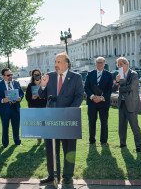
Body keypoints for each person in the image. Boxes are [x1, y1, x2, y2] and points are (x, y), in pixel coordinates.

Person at [38, 52, 84, 185]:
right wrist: (43, 85)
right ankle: (52, 175)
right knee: (51, 148)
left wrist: (70, 109)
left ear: (66, 63)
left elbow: (80, 95)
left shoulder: (76, 77)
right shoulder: (50, 76)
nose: (55, 64)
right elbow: (41, 95)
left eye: (58, 62)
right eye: (55, 62)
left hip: (68, 118)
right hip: (51, 119)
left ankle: (68, 176)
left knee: (69, 148)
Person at [112, 57, 141, 152]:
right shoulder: (119, 75)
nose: (119, 67)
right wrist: (117, 82)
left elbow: (131, 87)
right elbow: (113, 89)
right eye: (118, 65)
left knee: (134, 126)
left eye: (121, 64)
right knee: (121, 126)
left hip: (131, 104)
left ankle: (139, 147)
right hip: (122, 103)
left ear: (126, 64)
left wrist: (120, 88)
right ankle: (122, 144)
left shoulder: (134, 74)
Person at [0, 68, 24, 148]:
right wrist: (2, 100)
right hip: (4, 109)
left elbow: (21, 93)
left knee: (16, 126)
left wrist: (20, 98)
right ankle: (5, 144)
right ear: (3, 76)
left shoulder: (16, 83)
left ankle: (17, 142)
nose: (10, 76)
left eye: (11, 74)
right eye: (8, 75)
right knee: (5, 127)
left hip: (15, 108)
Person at [84, 57, 113, 145]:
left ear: (104, 64)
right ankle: (92, 140)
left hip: (103, 103)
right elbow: (86, 87)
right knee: (92, 121)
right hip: (92, 102)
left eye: (101, 63)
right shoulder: (90, 74)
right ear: (95, 64)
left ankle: (103, 141)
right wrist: (92, 96)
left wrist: (101, 98)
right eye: (98, 62)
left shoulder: (109, 75)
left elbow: (110, 89)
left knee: (104, 122)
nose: (99, 64)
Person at [25, 68, 47, 145]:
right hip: (34, 107)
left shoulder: (44, 84)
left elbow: (49, 94)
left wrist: (43, 96)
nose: (37, 76)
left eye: (38, 74)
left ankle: (45, 140)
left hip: (44, 106)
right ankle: (39, 139)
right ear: (32, 76)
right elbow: (27, 97)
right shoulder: (30, 85)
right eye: (35, 75)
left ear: (41, 75)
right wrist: (32, 98)